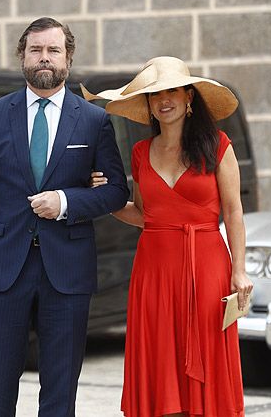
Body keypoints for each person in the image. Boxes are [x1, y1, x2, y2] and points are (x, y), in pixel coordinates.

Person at [0, 17, 129, 417]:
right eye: (36, 50)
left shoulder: (93, 119)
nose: (45, 58)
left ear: (68, 58)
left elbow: (117, 190)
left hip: (67, 271)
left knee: (60, 387)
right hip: (2, 268)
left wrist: (66, 202)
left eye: (54, 50)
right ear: (23, 56)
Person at [84, 56, 253, 417]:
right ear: (147, 104)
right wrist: (104, 199)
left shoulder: (219, 145)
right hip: (155, 273)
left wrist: (239, 270)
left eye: (173, 90)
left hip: (206, 268)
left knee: (207, 358)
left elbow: (234, 211)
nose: (164, 100)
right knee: (160, 361)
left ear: (189, 97)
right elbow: (145, 216)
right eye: (155, 94)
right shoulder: (141, 152)